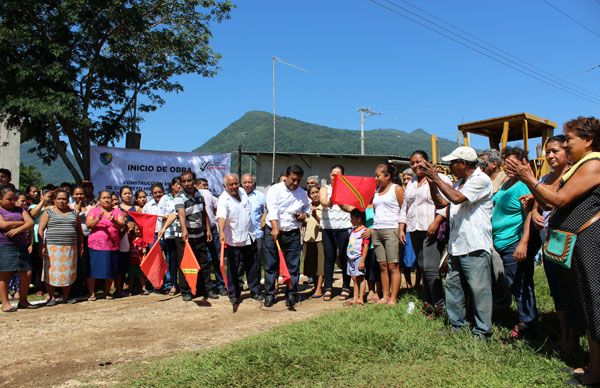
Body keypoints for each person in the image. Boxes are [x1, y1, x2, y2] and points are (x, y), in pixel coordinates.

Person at [505, 116, 600, 385]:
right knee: (585, 302)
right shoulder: (576, 168)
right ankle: (593, 364)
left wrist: (527, 177)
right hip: (576, 244)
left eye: (569, 138)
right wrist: (535, 196)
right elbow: (548, 202)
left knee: (595, 301)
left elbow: (559, 198)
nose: (566, 144)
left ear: (588, 140)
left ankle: (596, 372)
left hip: (590, 241)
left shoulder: (594, 164)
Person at [420, 146, 494, 338]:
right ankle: (457, 326)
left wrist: (436, 177)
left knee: (479, 291)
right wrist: (432, 184)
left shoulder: (481, 180)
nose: (450, 166)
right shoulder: (460, 182)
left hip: (475, 244)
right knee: (453, 288)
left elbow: (456, 198)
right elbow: (443, 204)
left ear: (463, 163)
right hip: (457, 245)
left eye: (453, 162)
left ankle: (482, 331)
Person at [529, 135, 577, 352]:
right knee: (556, 289)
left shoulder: (574, 175)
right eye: (547, 152)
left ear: (567, 152)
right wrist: (534, 212)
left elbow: (557, 201)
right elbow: (539, 203)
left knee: (571, 290)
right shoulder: (546, 178)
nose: (550, 156)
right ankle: (564, 335)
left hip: (569, 240)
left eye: (555, 151)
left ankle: (574, 338)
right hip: (548, 241)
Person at [492, 147, 539, 339]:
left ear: (524, 163)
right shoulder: (507, 183)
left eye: (513, 163)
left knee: (520, 284)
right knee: (512, 283)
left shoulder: (522, 185)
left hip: (514, 241)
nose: (508, 166)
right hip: (501, 241)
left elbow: (528, 215)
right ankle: (524, 318)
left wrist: (523, 243)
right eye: (506, 163)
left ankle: (527, 324)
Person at [400, 150, 450, 317]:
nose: (415, 166)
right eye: (412, 163)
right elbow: (405, 207)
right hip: (414, 229)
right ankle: (428, 303)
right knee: (422, 266)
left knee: (430, 268)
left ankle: (440, 306)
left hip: (432, 228)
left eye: (419, 162)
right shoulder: (411, 183)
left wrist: (437, 221)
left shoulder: (440, 178)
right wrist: (402, 227)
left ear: (427, 162)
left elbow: (448, 202)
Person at [264, 165, 311, 308]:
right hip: (274, 230)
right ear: (287, 176)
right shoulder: (275, 190)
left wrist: (304, 215)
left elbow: (307, 209)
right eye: (293, 180)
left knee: (293, 265)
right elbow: (272, 209)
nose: (295, 183)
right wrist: (275, 227)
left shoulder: (302, 193)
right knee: (271, 265)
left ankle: (291, 294)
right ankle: (270, 295)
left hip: (292, 233)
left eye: (298, 180)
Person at [166, 170, 217, 302]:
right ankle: (186, 291)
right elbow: (181, 214)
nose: (187, 183)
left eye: (189, 180)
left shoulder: (199, 194)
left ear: (194, 181)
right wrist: (184, 230)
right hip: (184, 237)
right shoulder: (179, 196)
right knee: (185, 264)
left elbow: (204, 211)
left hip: (199, 234)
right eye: (184, 181)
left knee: (204, 263)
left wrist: (208, 230)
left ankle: (207, 289)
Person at [216, 174, 261, 304]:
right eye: (231, 184)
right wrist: (221, 232)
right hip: (234, 240)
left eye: (236, 183)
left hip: (249, 236)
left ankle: (255, 291)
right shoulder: (223, 199)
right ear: (225, 186)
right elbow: (221, 217)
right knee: (234, 269)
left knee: (253, 266)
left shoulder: (242, 192)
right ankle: (234, 294)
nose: (234, 186)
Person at [38, 189, 83, 305]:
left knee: (68, 272)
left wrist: (81, 245)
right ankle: (51, 297)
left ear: (68, 200)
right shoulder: (48, 212)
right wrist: (41, 246)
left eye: (64, 199)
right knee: (51, 273)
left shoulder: (74, 213)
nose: (62, 201)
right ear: (54, 200)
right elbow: (41, 229)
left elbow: (79, 231)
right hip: (52, 248)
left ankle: (65, 297)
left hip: (70, 248)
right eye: (59, 199)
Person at [319, 165, 353, 301]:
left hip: (345, 227)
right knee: (329, 258)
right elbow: (322, 201)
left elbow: (352, 207)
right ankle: (328, 288)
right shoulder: (325, 188)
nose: (335, 177)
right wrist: (329, 202)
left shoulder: (349, 189)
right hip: (328, 228)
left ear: (343, 176)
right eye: (333, 174)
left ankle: (346, 287)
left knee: (345, 258)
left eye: (338, 175)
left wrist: (343, 206)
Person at [372, 163, 404, 305]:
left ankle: (394, 298)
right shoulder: (376, 190)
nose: (376, 178)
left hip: (392, 230)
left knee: (393, 266)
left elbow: (404, 209)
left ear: (387, 176)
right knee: (383, 266)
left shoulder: (396, 189)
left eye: (378, 175)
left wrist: (401, 229)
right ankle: (385, 295)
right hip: (377, 230)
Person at [86, 190, 126, 301]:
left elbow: (121, 225)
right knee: (92, 269)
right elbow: (89, 225)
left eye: (108, 197)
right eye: (104, 198)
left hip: (112, 245)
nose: (107, 200)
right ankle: (92, 293)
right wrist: (98, 219)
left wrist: (114, 221)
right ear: (99, 200)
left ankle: (107, 292)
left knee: (110, 269)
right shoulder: (93, 211)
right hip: (95, 245)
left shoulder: (117, 212)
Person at [0, 185, 35, 312]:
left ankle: (24, 300)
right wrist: (22, 223)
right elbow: (2, 225)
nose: (13, 201)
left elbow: (30, 222)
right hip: (5, 245)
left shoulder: (20, 209)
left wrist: (18, 229)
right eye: (9, 199)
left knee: (26, 272)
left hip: (21, 245)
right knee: (5, 273)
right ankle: (5, 303)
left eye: (14, 198)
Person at [241, 173, 265, 292]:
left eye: (249, 182)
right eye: (245, 182)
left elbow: (265, 212)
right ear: (242, 183)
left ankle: (255, 287)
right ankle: (238, 285)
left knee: (255, 262)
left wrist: (262, 225)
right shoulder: (237, 195)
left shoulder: (261, 196)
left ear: (253, 183)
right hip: (240, 235)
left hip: (257, 234)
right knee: (240, 261)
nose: (247, 185)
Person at [159, 177, 182, 296]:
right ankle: (173, 285)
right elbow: (160, 215)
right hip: (169, 234)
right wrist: (171, 216)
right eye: (178, 184)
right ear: (173, 185)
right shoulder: (165, 198)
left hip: (182, 233)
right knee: (172, 260)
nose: (180, 186)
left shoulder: (184, 197)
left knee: (182, 260)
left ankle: (185, 284)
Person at [303, 186, 325, 298]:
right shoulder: (307, 207)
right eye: (312, 193)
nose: (315, 194)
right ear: (309, 195)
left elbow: (323, 223)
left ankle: (319, 288)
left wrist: (315, 215)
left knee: (320, 264)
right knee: (311, 265)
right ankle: (316, 286)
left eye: (317, 192)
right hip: (308, 238)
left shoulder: (324, 207)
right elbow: (304, 222)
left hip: (320, 238)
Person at [346, 209, 369, 306]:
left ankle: (361, 298)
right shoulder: (352, 230)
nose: (350, 220)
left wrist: (362, 261)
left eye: (352, 218)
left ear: (358, 219)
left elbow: (366, 246)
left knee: (360, 277)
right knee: (354, 278)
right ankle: (355, 298)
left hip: (359, 257)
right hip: (351, 258)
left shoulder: (364, 230)